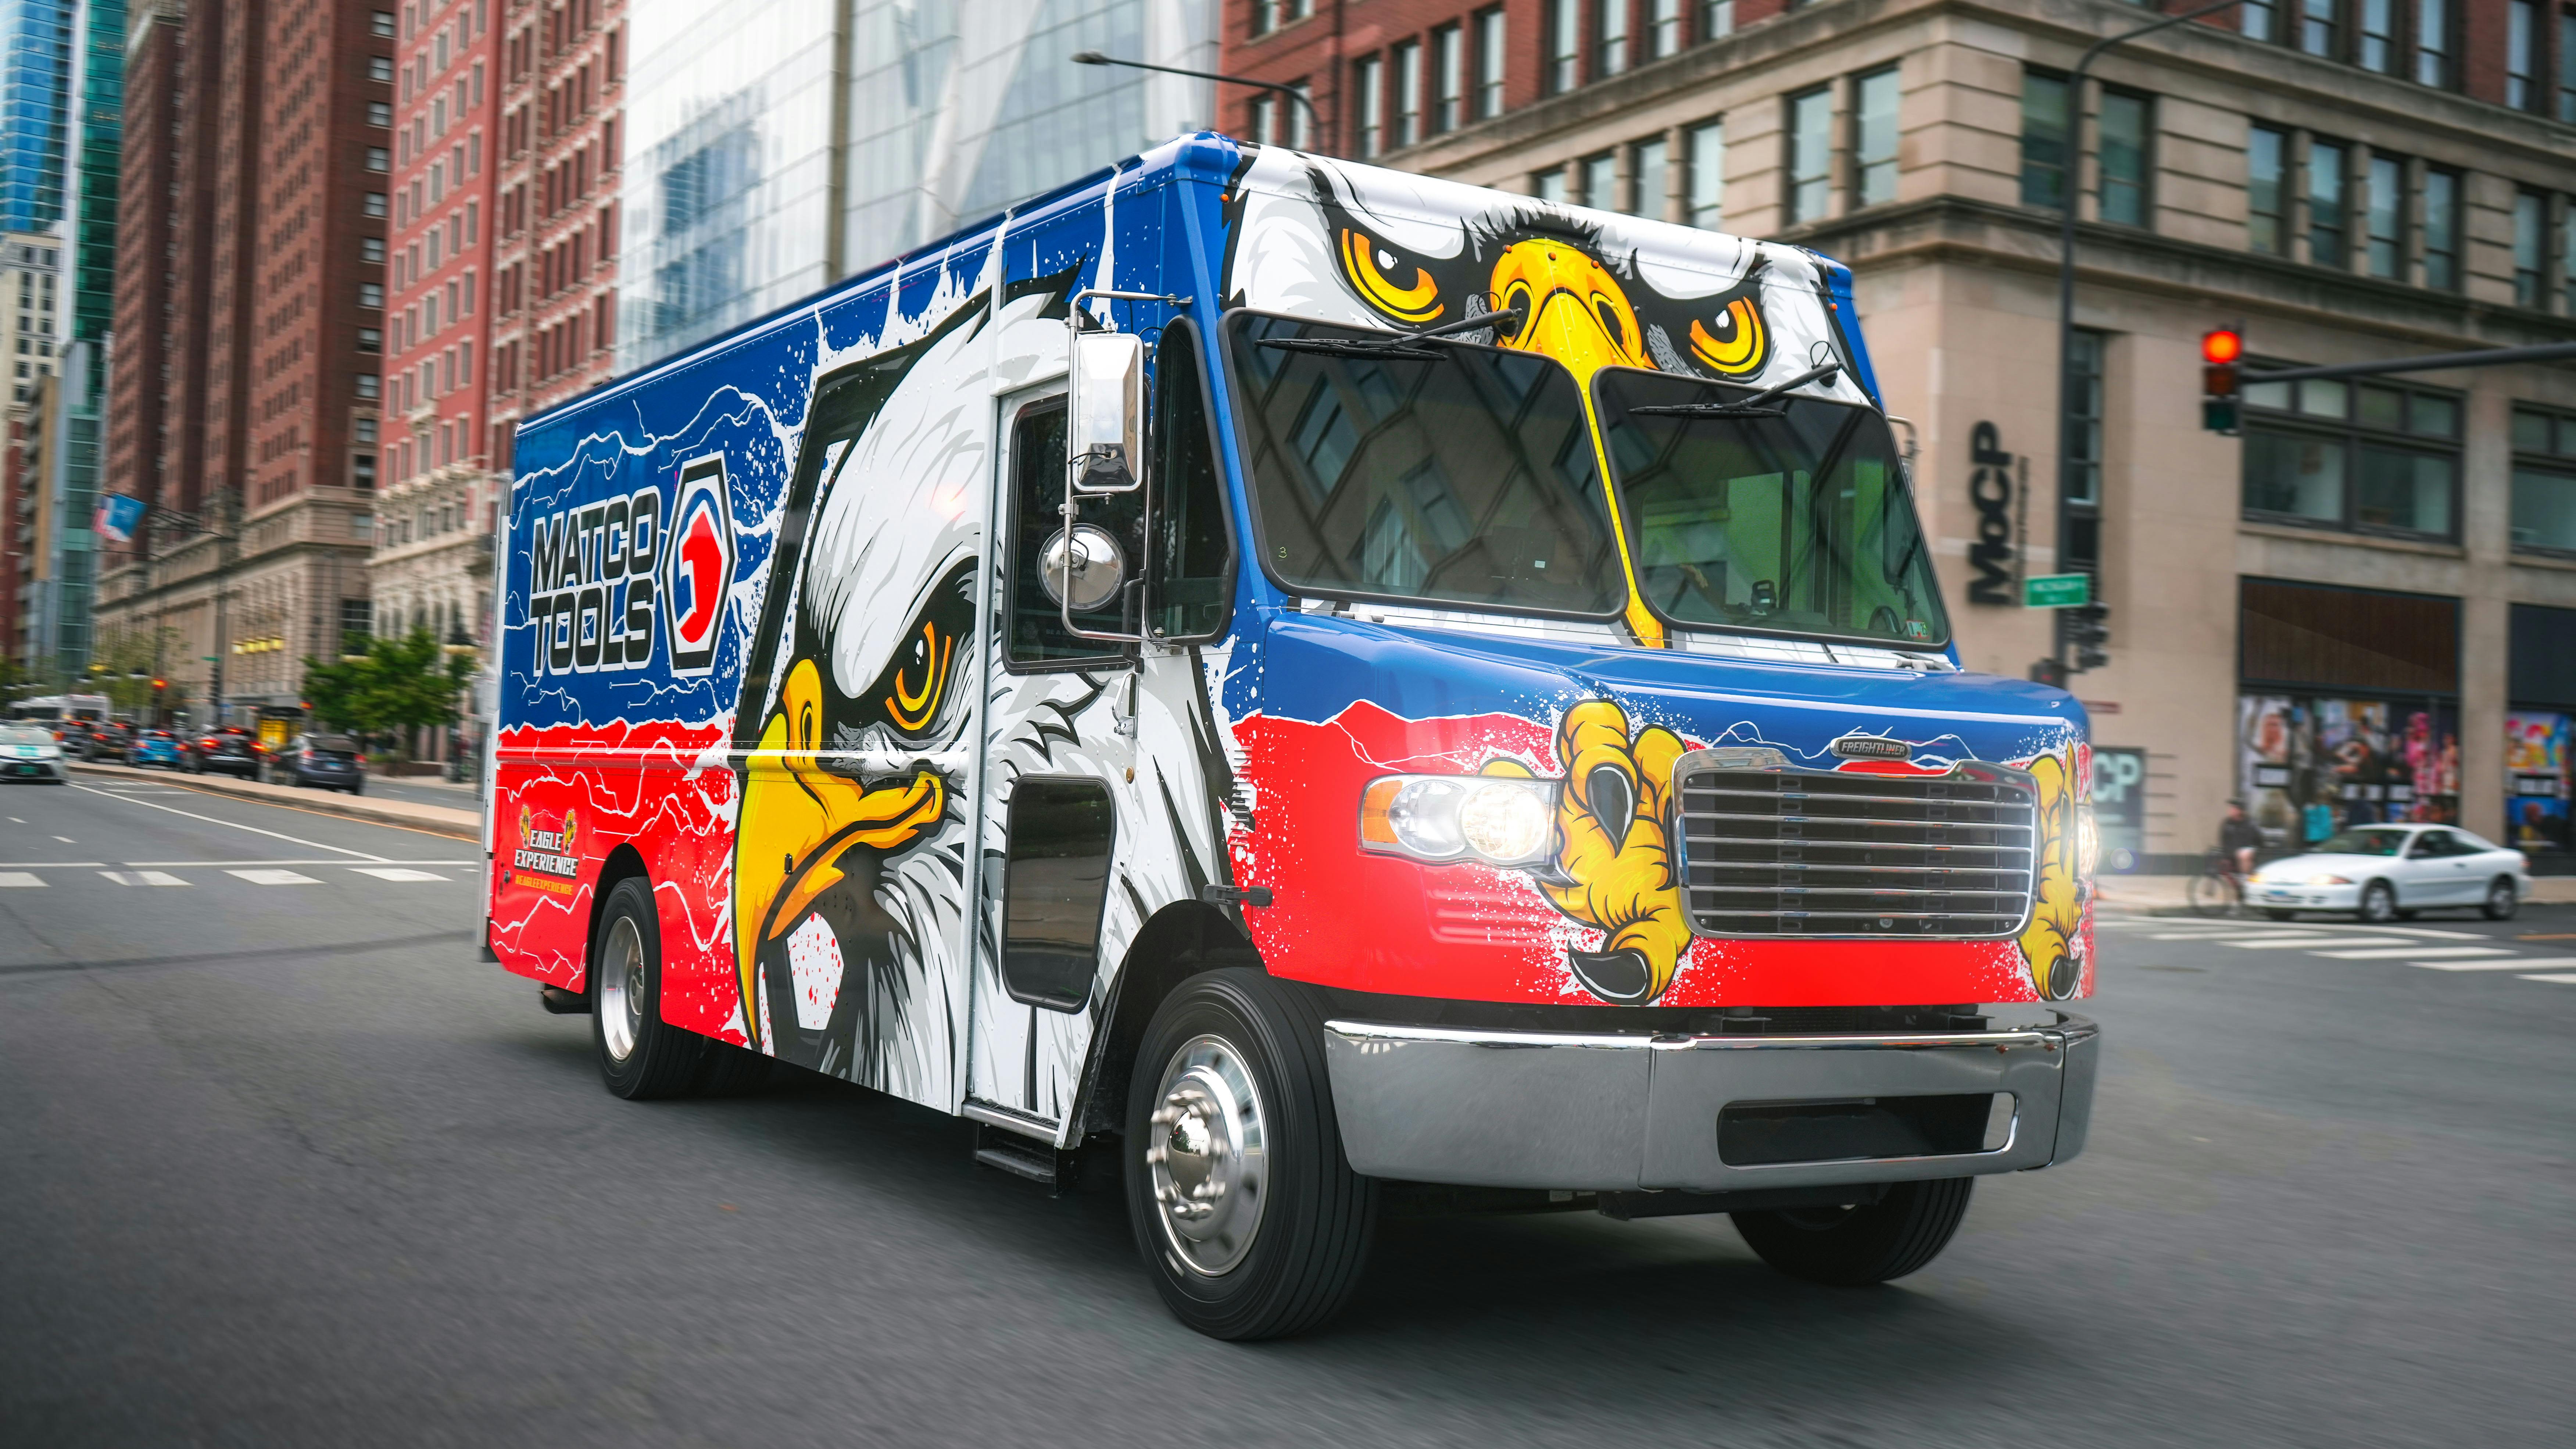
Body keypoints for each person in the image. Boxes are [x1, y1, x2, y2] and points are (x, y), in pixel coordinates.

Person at [2219, 799, 2264, 880]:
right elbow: (2224, 840)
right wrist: (2226, 855)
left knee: (2243, 854)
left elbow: (2258, 841)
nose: (2231, 811)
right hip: (2233, 851)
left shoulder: (2250, 824)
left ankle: (2246, 879)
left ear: (2240, 811)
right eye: (2231, 809)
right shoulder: (2228, 823)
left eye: (2234, 809)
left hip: (2248, 851)